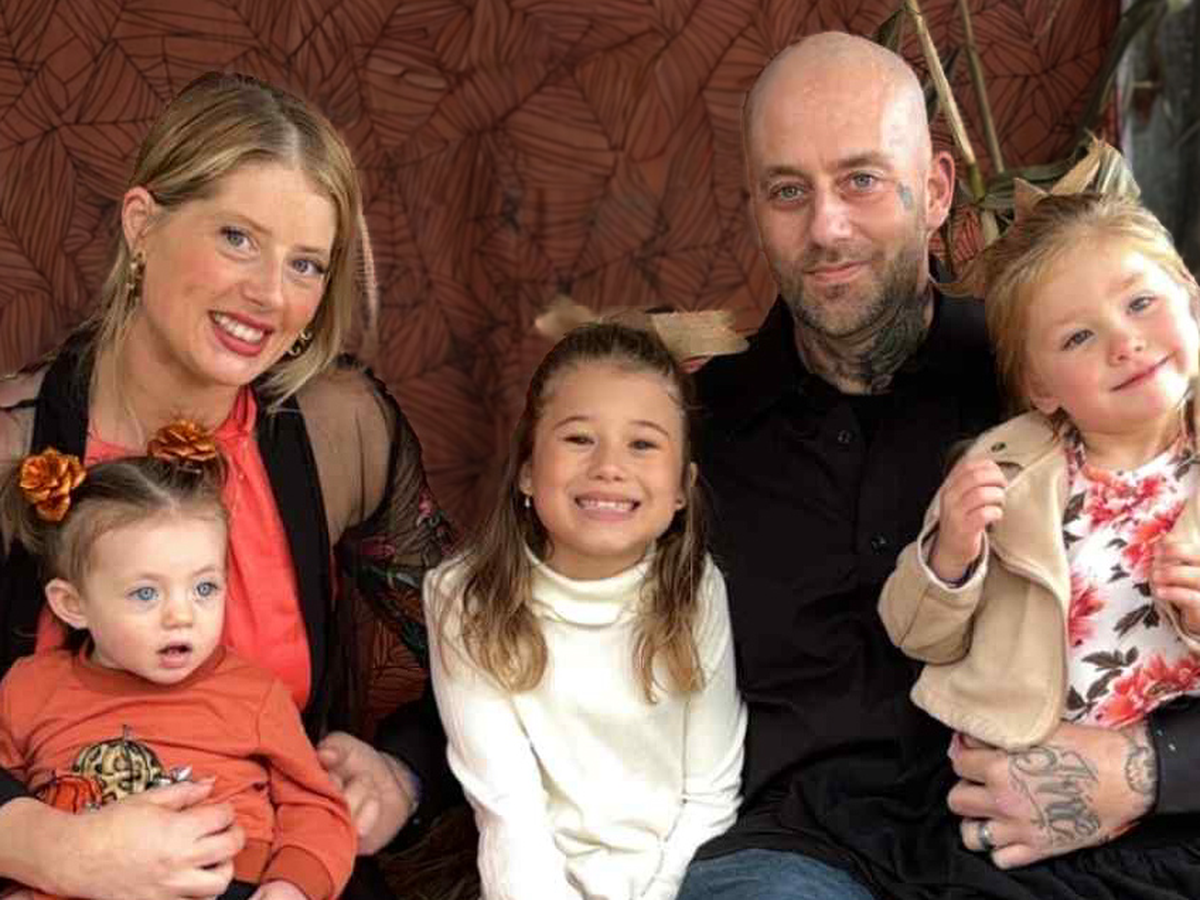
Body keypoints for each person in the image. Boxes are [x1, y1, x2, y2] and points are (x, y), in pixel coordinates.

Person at [677, 30, 1200, 900]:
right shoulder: (690, 430)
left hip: (1071, 847)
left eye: (861, 179)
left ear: (937, 190)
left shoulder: (1062, 381)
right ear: (756, 210)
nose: (826, 227)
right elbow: (540, 612)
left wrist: (1149, 770)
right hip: (804, 852)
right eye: (788, 191)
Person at [0, 72, 455, 900]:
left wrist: (406, 770)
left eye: (306, 264)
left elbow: (490, 647)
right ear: (143, 225)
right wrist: (46, 845)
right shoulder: (11, 444)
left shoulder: (341, 429)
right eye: (238, 238)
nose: (271, 296)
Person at [424, 323, 746, 900]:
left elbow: (709, 795)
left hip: (674, 883)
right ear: (527, 470)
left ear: (682, 487)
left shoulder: (696, 591)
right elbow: (508, 809)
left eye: (643, 444)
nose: (609, 467)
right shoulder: (464, 597)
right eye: (579, 438)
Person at [881, 192, 1200, 759]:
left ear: (1190, 295)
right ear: (1039, 387)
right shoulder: (1004, 473)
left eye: (1141, 302)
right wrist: (950, 559)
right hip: (1023, 768)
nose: (1124, 343)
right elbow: (918, 637)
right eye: (1078, 337)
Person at [0, 423, 356, 900]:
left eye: (204, 587)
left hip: (223, 883)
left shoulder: (254, 693)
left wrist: (291, 887)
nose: (182, 616)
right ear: (73, 604)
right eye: (146, 593)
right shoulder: (30, 688)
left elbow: (316, 807)